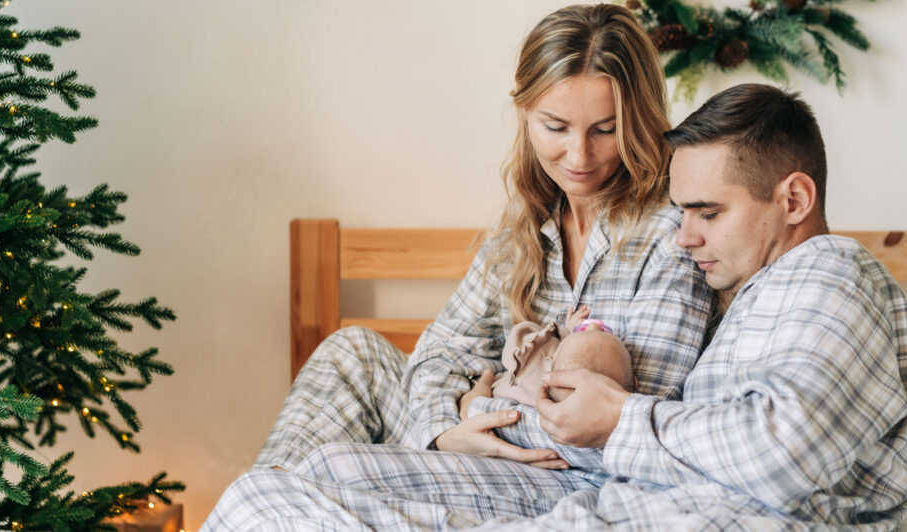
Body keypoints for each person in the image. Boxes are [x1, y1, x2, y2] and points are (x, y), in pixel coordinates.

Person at [204, 4, 713, 530]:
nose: (578, 155)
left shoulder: (672, 236)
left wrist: (475, 414)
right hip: (483, 436)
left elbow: (626, 426)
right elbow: (440, 349)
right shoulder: (530, 224)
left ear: (641, 122)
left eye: (605, 130)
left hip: (567, 474)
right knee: (351, 351)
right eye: (555, 126)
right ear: (524, 113)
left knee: (321, 471)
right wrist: (443, 429)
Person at [489, 83, 907, 529]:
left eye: (709, 213)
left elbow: (784, 454)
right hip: (644, 505)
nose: (684, 237)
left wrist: (621, 416)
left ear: (794, 200)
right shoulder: (756, 297)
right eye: (681, 212)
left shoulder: (832, 273)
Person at [488, 306, 635, 406]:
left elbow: (519, 339)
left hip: (494, 392)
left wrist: (565, 332)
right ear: (634, 382)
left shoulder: (535, 376)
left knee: (486, 379)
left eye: (582, 334)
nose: (593, 326)